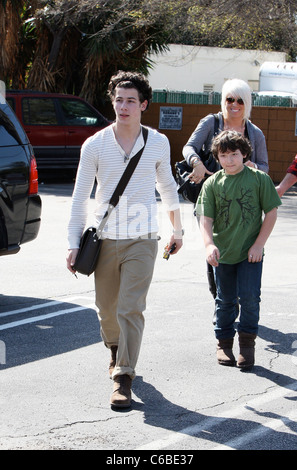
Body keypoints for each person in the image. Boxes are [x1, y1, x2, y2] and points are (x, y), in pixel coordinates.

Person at [66, 70, 183, 408]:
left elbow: (168, 190)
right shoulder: (95, 145)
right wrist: (73, 243)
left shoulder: (158, 143)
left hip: (143, 239)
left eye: (131, 100)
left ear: (144, 105)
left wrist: (177, 230)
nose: (123, 106)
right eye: (118, 99)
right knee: (106, 310)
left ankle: (123, 377)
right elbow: (78, 198)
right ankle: (116, 351)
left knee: (131, 307)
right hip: (104, 238)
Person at [197, 130, 281, 370]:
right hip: (222, 254)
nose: (230, 160)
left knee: (250, 298)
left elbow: (271, 212)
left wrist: (259, 244)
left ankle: (247, 345)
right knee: (225, 300)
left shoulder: (258, 179)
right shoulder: (212, 183)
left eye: (234, 154)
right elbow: (205, 218)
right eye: (223, 155)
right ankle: (223, 343)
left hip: (250, 254)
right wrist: (208, 244)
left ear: (244, 154)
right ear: (217, 158)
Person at [182, 78, 269, 306]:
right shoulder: (212, 122)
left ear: (247, 103)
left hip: (243, 203)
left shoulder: (254, 132)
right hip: (213, 195)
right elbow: (189, 146)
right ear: (224, 101)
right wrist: (196, 162)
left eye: (240, 100)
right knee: (214, 247)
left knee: (243, 249)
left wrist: (255, 168)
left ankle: (239, 301)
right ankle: (221, 301)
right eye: (230, 99)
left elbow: (265, 166)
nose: (235, 104)